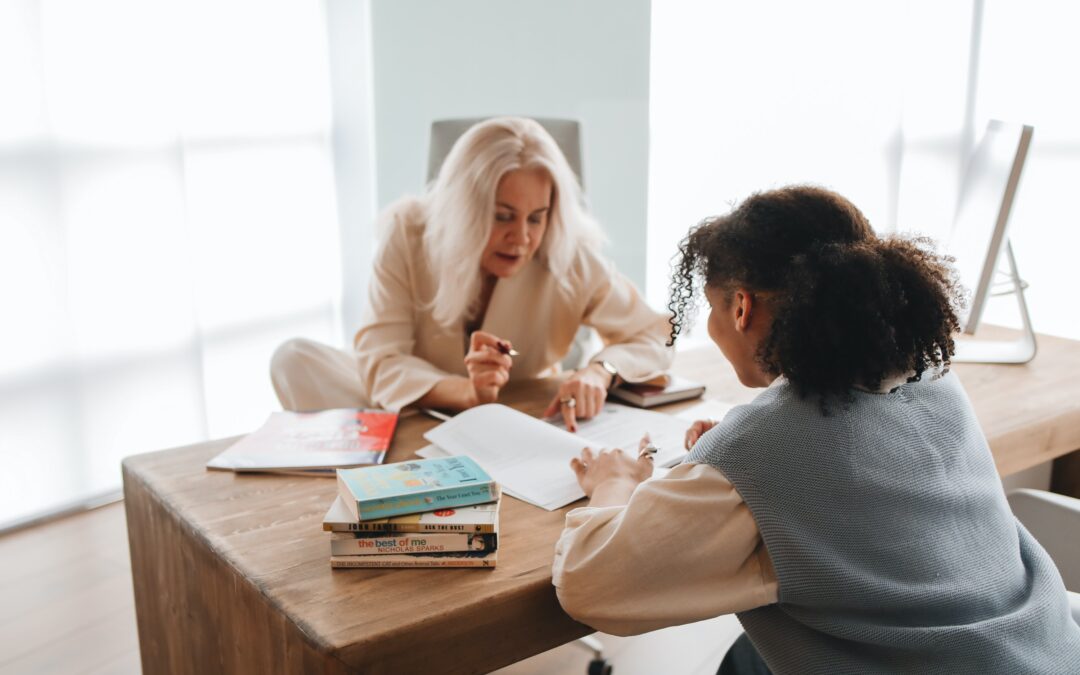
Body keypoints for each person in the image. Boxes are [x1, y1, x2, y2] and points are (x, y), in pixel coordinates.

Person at [552, 186, 1080, 673]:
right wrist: (739, 464)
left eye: (711, 310)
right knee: (750, 656)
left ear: (741, 307)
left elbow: (588, 584)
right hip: (1043, 648)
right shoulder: (932, 376)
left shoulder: (764, 448)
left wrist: (612, 484)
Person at [271, 117, 671, 429]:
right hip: (414, 403)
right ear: (464, 207)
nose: (522, 238)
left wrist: (601, 372)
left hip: (515, 410)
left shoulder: (568, 251)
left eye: (537, 217)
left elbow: (655, 333)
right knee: (293, 359)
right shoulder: (407, 233)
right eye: (502, 216)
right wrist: (467, 393)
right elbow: (381, 360)